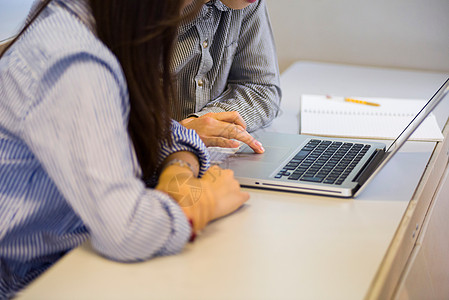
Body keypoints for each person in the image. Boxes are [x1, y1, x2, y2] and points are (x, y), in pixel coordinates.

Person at [0, 0, 249, 298]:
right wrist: (202, 201)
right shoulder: (75, 62)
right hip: (31, 282)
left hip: (71, 260)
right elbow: (126, 231)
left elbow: (160, 130)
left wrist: (178, 174)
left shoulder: (94, 27)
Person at [174, 0, 282, 154]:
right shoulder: (139, 12)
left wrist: (203, 122)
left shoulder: (247, 3)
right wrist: (180, 133)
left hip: (204, 154)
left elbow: (262, 90)